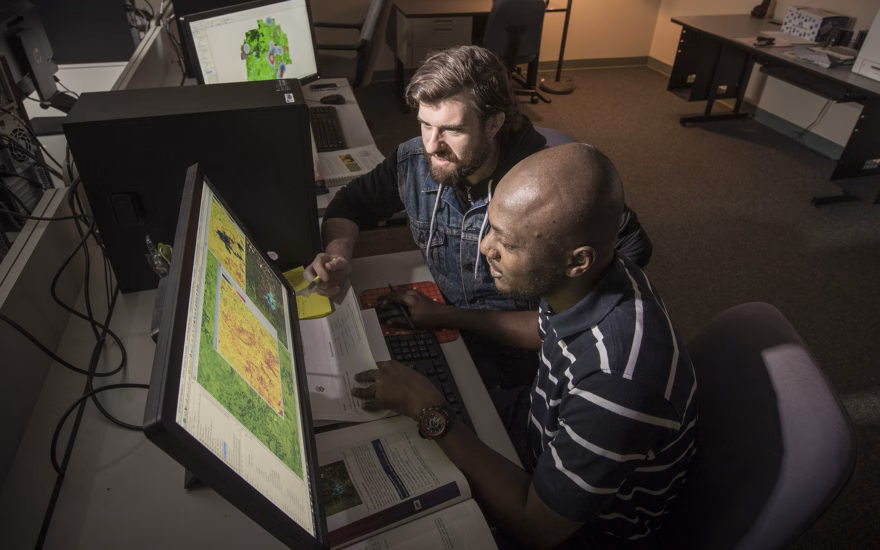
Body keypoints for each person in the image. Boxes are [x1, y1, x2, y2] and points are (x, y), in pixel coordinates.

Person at [350, 143, 697, 549]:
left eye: (509, 244)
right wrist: (446, 315)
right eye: (492, 228)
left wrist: (431, 412)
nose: (486, 248)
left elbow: (537, 526)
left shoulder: (618, 382)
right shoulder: (601, 276)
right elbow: (545, 329)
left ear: (577, 261)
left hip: (575, 529)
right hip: (535, 431)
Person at [306, 44, 652, 388]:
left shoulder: (543, 188)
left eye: (452, 130)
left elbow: (594, 296)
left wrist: (449, 316)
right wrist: (338, 257)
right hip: (449, 330)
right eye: (425, 125)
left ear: (494, 123)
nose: (431, 145)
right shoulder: (414, 161)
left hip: (525, 361)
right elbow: (349, 205)